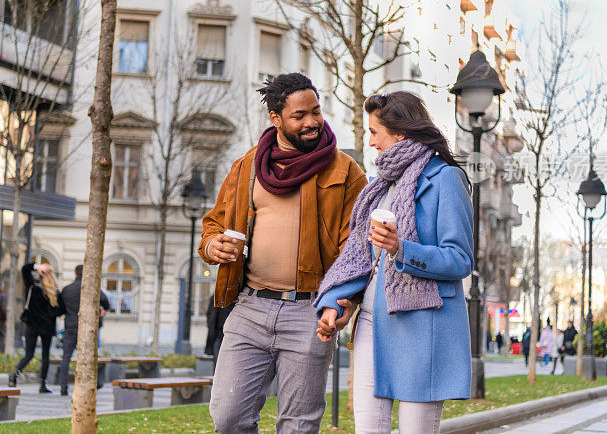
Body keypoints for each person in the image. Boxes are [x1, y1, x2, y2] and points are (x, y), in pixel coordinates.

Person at [199, 73, 367, 433]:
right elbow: (212, 223)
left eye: (316, 112)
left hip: (309, 311)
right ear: (275, 119)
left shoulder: (345, 170)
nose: (311, 122)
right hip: (250, 307)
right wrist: (213, 245)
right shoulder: (247, 166)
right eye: (299, 115)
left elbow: (356, 248)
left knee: (298, 426)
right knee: (227, 417)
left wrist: (345, 300)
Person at [315, 91, 474, 433]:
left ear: (399, 132)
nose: (370, 142)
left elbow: (460, 259)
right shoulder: (377, 187)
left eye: (375, 132)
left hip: (423, 326)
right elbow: (358, 256)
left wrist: (402, 249)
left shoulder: (446, 179)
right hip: (372, 324)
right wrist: (335, 302)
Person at [57, 264, 110, 396]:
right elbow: (106, 303)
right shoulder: (92, 288)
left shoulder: (67, 289)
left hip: (70, 327)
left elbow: (60, 309)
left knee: (66, 357)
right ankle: (91, 384)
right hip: (86, 328)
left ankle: (63, 387)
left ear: (75, 274)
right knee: (88, 357)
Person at [9, 262, 62, 393]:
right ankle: (43, 385)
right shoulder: (54, 293)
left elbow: (24, 269)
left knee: (29, 354)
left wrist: (36, 266)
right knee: (45, 356)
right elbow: (59, 311)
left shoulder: (32, 286)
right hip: (47, 327)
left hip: (32, 325)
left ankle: (14, 375)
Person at [204, 296, 233, 369]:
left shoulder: (234, 297)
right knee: (217, 367)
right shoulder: (215, 297)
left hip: (229, 337)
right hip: (218, 336)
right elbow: (210, 316)